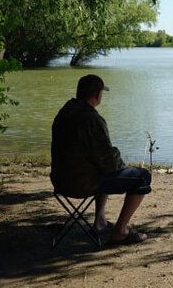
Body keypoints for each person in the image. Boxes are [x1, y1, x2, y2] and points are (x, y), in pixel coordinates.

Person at [50, 73, 151, 245]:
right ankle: (120, 231)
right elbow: (110, 163)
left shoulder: (64, 113)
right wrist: (120, 159)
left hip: (60, 181)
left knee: (98, 167)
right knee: (142, 177)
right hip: (81, 184)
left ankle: (100, 221)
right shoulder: (92, 119)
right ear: (98, 95)